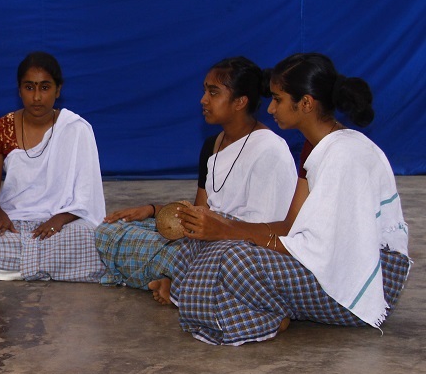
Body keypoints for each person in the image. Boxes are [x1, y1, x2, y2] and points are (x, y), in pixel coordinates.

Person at [168, 52, 410, 345]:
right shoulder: (314, 147)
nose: (270, 108)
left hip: (362, 277)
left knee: (233, 259)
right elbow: (290, 226)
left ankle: (256, 316)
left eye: (278, 99)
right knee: (205, 234)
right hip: (326, 263)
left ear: (305, 103)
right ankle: (232, 307)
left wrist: (228, 232)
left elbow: (323, 251)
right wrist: (222, 228)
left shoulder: (344, 155)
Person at [94, 57, 297, 303]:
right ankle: (186, 282)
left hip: (240, 250)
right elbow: (200, 212)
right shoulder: (212, 144)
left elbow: (267, 234)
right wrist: (153, 211)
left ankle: (182, 283)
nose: (203, 100)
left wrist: (217, 231)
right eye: (205, 91)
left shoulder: (270, 149)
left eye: (214, 92)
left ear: (240, 101)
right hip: (203, 243)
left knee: (212, 258)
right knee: (109, 231)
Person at [0, 51, 106, 281]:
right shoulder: (1, 129)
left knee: (88, 236)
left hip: (61, 222)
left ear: (58, 90)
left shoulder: (76, 128)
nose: (37, 97)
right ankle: (40, 267)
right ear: (19, 90)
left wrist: (58, 220)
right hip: (14, 220)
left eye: (45, 87)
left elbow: (86, 195)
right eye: (29, 87)